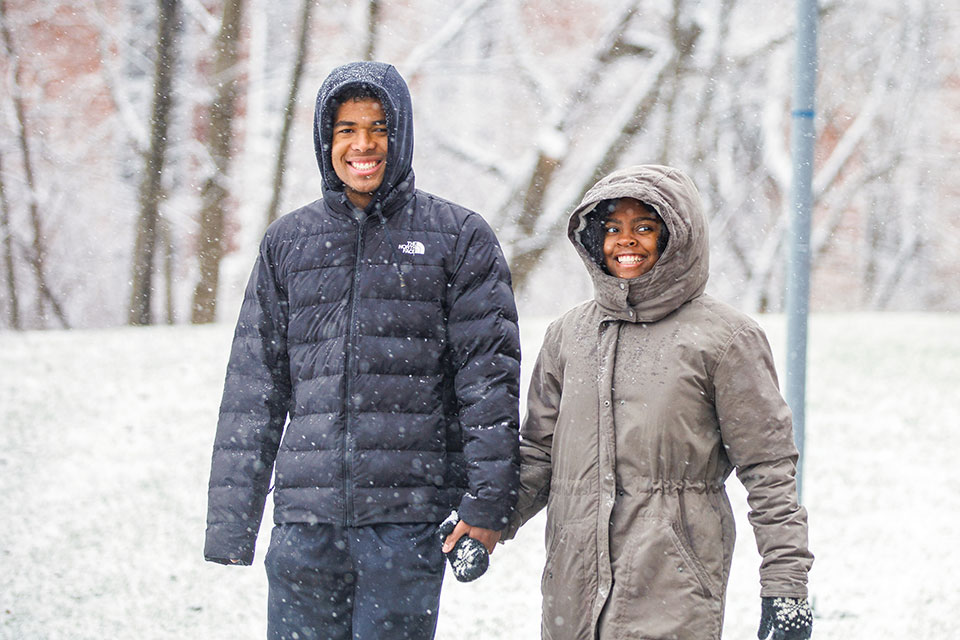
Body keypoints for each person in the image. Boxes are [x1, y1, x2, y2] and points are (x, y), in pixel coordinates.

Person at [203, 61, 521, 640]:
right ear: (327, 140)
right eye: (346, 129)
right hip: (305, 527)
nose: (363, 144)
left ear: (401, 136)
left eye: (378, 127)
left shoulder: (459, 237)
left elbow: (488, 384)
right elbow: (255, 388)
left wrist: (488, 505)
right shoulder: (288, 242)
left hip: (404, 526)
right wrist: (232, 525)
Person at [500, 165, 814, 640]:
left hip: (674, 583)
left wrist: (786, 586)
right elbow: (539, 455)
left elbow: (769, 470)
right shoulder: (569, 336)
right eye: (612, 229)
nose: (626, 242)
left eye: (644, 228)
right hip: (573, 589)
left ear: (677, 238)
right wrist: (486, 522)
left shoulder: (726, 339)